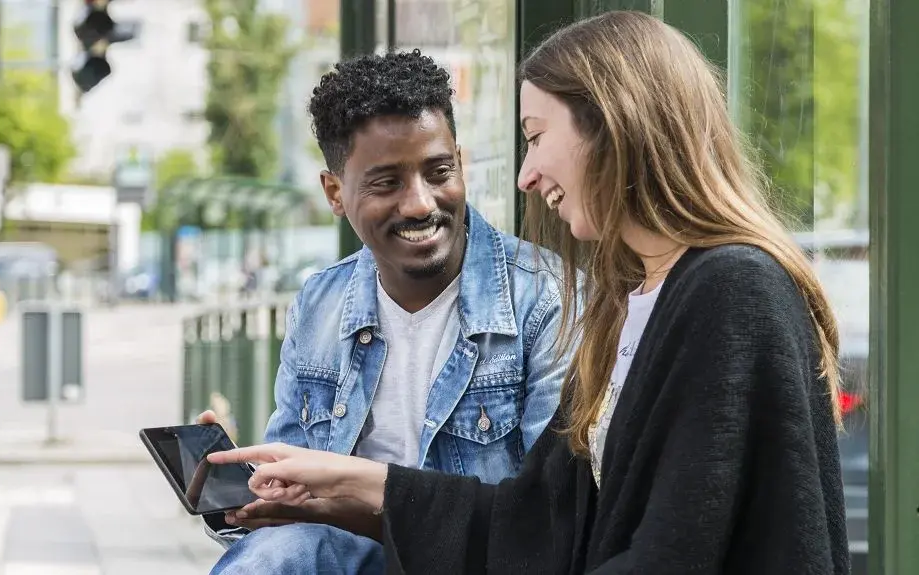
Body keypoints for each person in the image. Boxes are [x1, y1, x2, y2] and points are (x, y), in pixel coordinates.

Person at [208, 11, 851, 575]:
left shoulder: (730, 290)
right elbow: (547, 518)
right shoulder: (627, 302)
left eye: (537, 136)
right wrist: (340, 482)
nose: (525, 174)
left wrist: (367, 489)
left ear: (613, 126)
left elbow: (666, 548)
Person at [203, 49, 573, 574]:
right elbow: (295, 499)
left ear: (461, 165)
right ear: (335, 192)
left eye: (438, 171)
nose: (421, 203)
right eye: (386, 183)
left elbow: (548, 518)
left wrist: (365, 501)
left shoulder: (547, 297)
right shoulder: (321, 303)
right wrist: (245, 494)